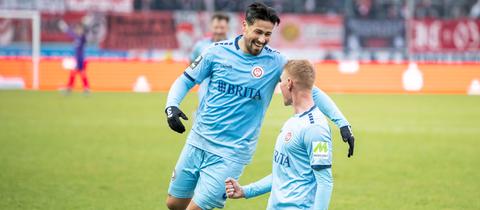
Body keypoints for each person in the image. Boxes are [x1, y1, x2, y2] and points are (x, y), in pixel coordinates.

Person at [164, 2, 355, 210]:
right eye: (258, 32)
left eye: (268, 34)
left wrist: (342, 123)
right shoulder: (216, 52)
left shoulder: (275, 61)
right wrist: (171, 106)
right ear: (244, 26)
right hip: (197, 140)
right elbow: (185, 80)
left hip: (231, 153)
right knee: (174, 204)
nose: (263, 39)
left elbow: (309, 90)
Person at [225, 60, 334, 209]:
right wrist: (245, 191)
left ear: (289, 83)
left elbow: (325, 182)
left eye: (281, 82)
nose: (280, 87)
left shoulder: (316, 128)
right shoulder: (293, 121)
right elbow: (283, 174)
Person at [190, 13, 230, 102]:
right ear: (211, 27)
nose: (219, 31)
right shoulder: (200, 46)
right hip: (205, 92)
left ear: (227, 28)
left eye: (222, 28)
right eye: (216, 27)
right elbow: (192, 63)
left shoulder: (234, 47)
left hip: (227, 93)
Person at [58, 20, 90, 94]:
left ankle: (84, 88)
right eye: (77, 29)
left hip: (81, 59)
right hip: (77, 59)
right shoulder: (77, 38)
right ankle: (82, 88)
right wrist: (65, 28)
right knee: (75, 73)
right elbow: (71, 33)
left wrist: (85, 24)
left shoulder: (82, 37)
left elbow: (86, 34)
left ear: (82, 30)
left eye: (79, 29)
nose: (77, 30)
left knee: (80, 73)